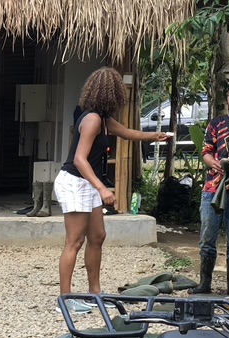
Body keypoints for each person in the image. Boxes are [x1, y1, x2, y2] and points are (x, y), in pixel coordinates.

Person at [53, 67, 172, 313]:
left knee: (97, 237)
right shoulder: (93, 119)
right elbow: (79, 160)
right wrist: (102, 188)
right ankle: (65, 300)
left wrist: (154, 136)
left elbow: (127, 133)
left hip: (87, 183)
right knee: (74, 241)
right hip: (75, 181)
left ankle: (95, 292)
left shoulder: (105, 120)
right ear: (112, 94)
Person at [196, 79, 229, 295]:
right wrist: (212, 162)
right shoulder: (216, 123)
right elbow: (206, 150)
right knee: (207, 236)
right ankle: (204, 284)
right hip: (213, 187)